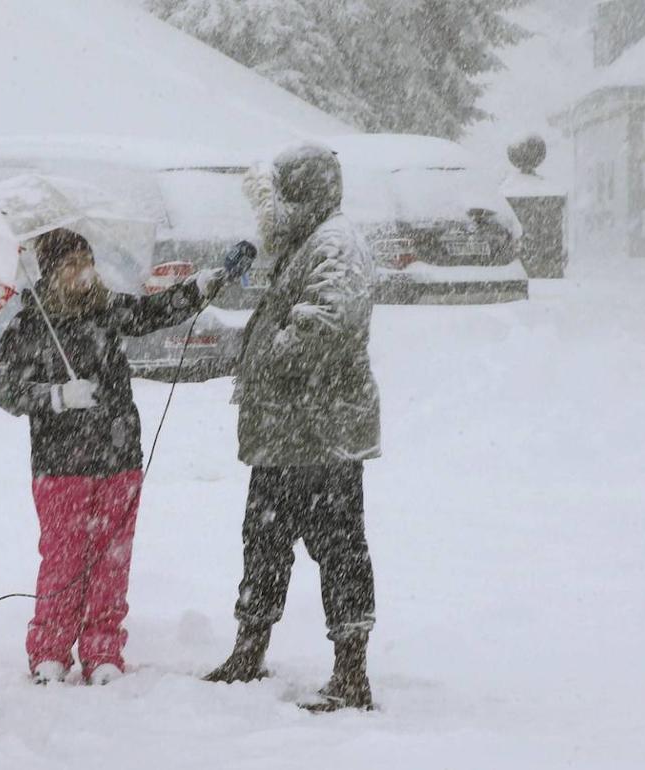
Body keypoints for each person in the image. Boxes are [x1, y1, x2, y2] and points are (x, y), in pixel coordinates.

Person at [0, 228, 250, 686]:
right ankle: (50, 651)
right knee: (64, 561)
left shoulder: (107, 310)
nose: (82, 273)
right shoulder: (29, 326)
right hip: (60, 462)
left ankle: (103, 650)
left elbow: (156, 312)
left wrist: (209, 282)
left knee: (111, 561)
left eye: (86, 261)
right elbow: (8, 389)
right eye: (70, 264)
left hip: (118, 455)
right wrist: (56, 396)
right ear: (50, 273)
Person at [204, 142, 382, 713]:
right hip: (287, 432)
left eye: (276, 199)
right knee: (264, 541)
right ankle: (249, 649)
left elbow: (326, 325)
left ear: (301, 197)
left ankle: (351, 673)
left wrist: (268, 352)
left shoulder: (336, 245)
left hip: (320, 433)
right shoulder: (308, 242)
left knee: (338, 548)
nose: (267, 214)